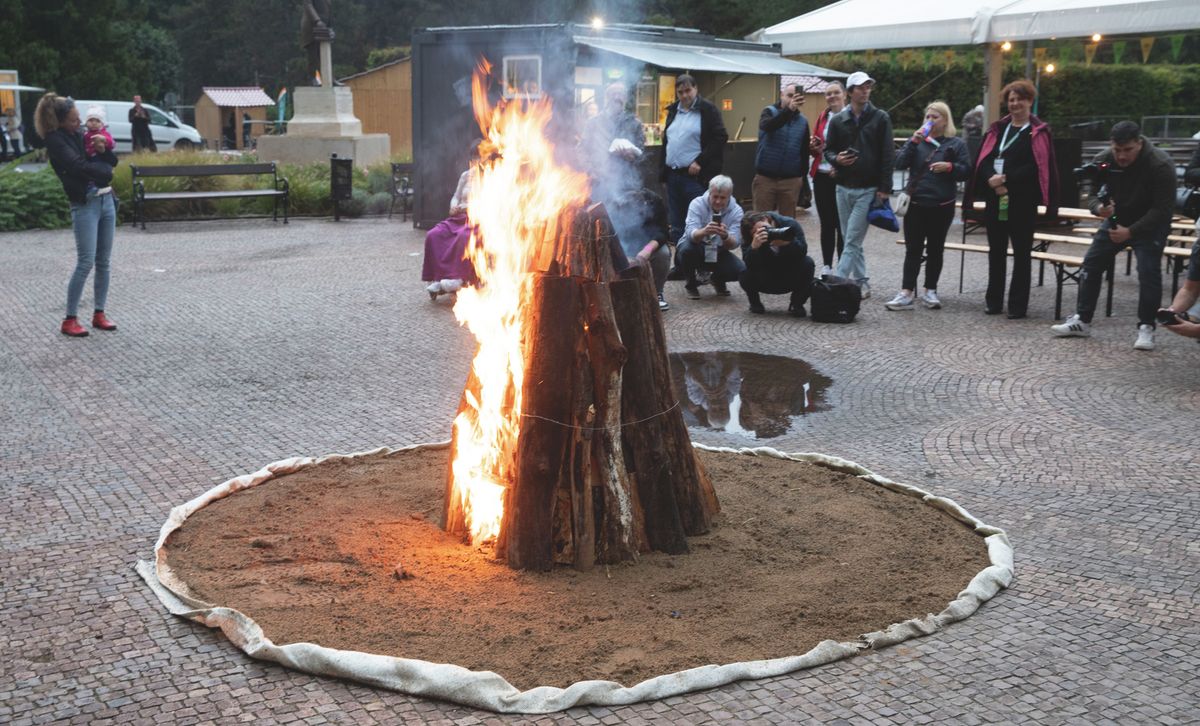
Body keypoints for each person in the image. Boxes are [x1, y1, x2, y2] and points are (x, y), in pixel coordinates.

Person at [1050, 121, 1176, 350]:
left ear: (1139, 143)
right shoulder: (1104, 158)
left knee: (1148, 272)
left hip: (1150, 225)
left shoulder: (1160, 164)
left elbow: (1163, 210)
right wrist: (1099, 208)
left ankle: (1147, 327)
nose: (1122, 156)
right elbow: (1092, 195)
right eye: (1117, 150)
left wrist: (1131, 232)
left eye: (1128, 150)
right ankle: (1082, 320)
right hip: (1117, 219)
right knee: (1091, 263)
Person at [965, 79, 1058, 319]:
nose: (1015, 104)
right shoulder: (998, 129)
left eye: (1020, 99)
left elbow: (1037, 166)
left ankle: (1018, 306)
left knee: (1021, 254)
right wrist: (991, 180)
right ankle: (993, 301)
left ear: (1030, 101)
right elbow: (983, 160)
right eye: (1011, 100)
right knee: (996, 252)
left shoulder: (1038, 133)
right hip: (996, 199)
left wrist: (1006, 180)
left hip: (1022, 201)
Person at [36, 93, 120, 337]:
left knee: (104, 262)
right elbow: (77, 167)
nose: (80, 123)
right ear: (60, 121)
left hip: (106, 200)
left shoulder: (79, 133)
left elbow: (111, 161)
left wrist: (104, 154)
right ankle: (69, 319)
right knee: (85, 262)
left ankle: (99, 313)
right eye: (74, 120)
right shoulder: (55, 140)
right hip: (85, 204)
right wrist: (105, 171)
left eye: (79, 119)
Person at [885, 101, 971, 311]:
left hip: (942, 204)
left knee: (935, 249)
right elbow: (899, 163)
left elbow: (967, 170)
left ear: (945, 120)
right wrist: (912, 142)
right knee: (913, 249)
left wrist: (950, 167)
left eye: (935, 117)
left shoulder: (955, 144)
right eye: (928, 117)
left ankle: (930, 291)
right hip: (916, 203)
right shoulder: (918, 141)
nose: (930, 121)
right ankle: (906, 292)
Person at [822, 71, 894, 300]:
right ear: (851, 91)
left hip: (868, 188)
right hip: (842, 187)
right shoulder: (837, 120)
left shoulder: (881, 118)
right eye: (861, 87)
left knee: (851, 239)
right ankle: (862, 282)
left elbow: (887, 155)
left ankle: (837, 285)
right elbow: (828, 150)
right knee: (851, 237)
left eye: (868, 87)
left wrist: (884, 188)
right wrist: (836, 160)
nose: (866, 91)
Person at [660, 74, 728, 245]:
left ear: (696, 89)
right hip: (673, 176)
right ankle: (680, 265)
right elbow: (667, 143)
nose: (684, 95)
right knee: (676, 224)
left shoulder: (707, 110)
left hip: (696, 178)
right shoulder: (674, 111)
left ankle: (700, 265)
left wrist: (700, 161)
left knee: (699, 222)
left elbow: (720, 137)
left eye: (688, 90)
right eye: (680, 92)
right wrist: (663, 174)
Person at [422, 150, 478, 300]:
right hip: (458, 217)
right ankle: (437, 278)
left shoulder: (492, 175)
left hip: (477, 218)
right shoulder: (465, 175)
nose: (475, 162)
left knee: (463, 236)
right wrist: (453, 206)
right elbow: (456, 196)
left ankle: (457, 278)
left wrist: (466, 207)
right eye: (473, 158)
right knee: (434, 235)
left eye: (478, 158)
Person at [678, 174, 744, 299]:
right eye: (715, 197)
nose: (718, 201)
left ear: (729, 196)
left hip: (718, 250)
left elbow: (735, 243)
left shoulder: (737, 211)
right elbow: (690, 234)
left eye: (722, 198)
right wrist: (704, 231)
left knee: (740, 271)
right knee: (686, 250)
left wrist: (725, 236)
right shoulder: (697, 203)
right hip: (696, 246)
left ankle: (717, 279)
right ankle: (691, 284)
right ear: (709, 192)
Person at [738, 211, 815, 317]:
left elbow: (802, 251)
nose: (765, 232)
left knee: (808, 263)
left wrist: (788, 243)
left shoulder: (789, 224)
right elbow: (750, 265)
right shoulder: (748, 237)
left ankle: (797, 304)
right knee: (743, 271)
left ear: (767, 219)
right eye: (758, 232)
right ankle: (755, 303)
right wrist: (753, 248)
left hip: (789, 273)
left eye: (765, 228)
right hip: (765, 276)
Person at [607, 187, 673, 311]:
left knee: (663, 254)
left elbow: (663, 232)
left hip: (647, 245)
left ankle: (657, 292)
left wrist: (646, 250)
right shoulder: (613, 204)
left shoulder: (654, 201)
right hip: (623, 245)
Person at [580, 82, 645, 204]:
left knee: (626, 219)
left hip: (626, 184)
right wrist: (590, 171)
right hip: (600, 182)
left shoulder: (634, 123)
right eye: (612, 94)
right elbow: (582, 149)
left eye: (620, 94)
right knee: (600, 219)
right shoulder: (593, 123)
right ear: (606, 98)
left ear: (625, 99)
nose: (616, 97)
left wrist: (632, 157)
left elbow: (642, 153)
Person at [752, 83, 809, 219]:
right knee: (761, 221)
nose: (792, 99)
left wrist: (802, 178)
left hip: (790, 180)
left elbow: (804, 151)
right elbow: (768, 126)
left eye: (796, 96)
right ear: (781, 95)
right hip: (765, 178)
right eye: (789, 95)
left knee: (787, 224)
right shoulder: (768, 112)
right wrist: (789, 110)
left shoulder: (803, 121)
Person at [809, 81, 845, 277]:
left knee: (842, 224)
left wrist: (839, 166)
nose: (832, 96)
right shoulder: (823, 116)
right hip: (821, 175)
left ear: (844, 94)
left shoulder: (850, 117)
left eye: (836, 93)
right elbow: (817, 145)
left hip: (841, 176)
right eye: (828, 94)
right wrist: (813, 147)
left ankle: (842, 265)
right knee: (827, 222)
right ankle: (826, 265)